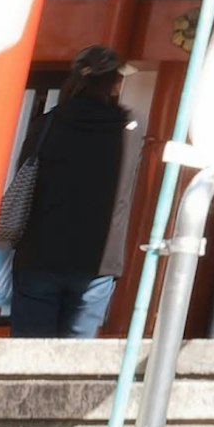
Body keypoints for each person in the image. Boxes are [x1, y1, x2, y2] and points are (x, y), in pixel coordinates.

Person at [8, 46, 131, 338]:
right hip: (98, 260)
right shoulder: (126, 132)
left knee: (28, 354)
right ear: (114, 82)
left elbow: (23, 178)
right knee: (74, 357)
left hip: (40, 252)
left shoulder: (48, 124)